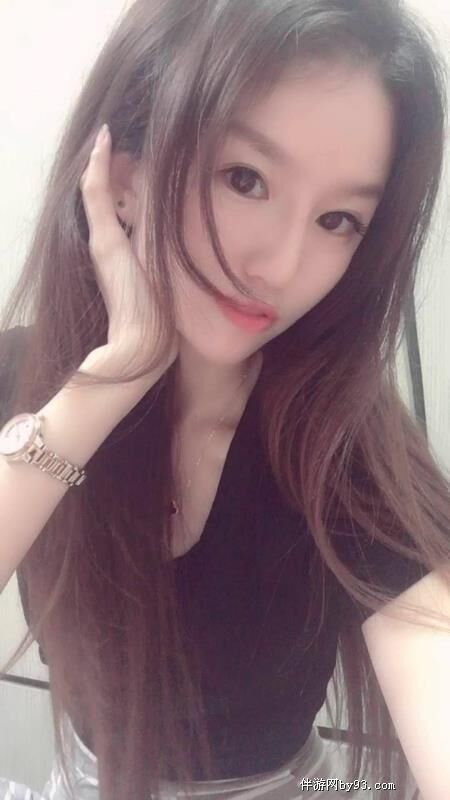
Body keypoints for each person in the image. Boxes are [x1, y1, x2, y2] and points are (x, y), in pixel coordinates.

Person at [0, 0, 449, 798]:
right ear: (123, 177)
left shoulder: (341, 448)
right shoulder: (22, 375)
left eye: (338, 219)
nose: (281, 266)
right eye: (246, 179)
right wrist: (111, 380)